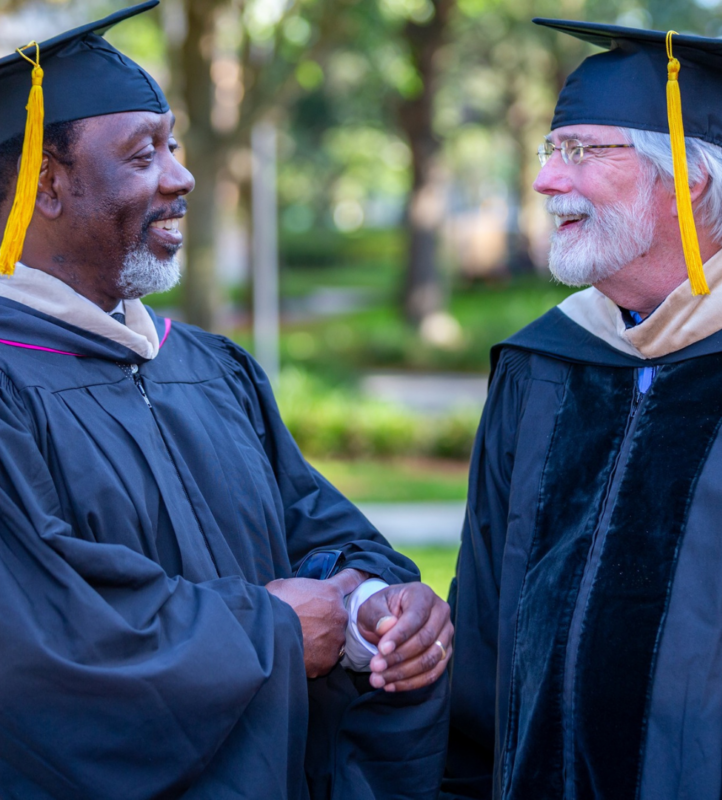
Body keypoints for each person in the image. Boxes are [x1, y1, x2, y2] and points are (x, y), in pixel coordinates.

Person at [0, 2, 453, 798]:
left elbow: (316, 527)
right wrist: (273, 634)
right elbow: (44, 643)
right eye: (144, 155)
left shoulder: (209, 368)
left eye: (173, 145)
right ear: (48, 186)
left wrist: (376, 607)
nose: (181, 175)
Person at [443, 18, 722, 800]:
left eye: (580, 151)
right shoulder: (545, 363)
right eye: (550, 150)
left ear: (687, 174)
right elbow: (484, 624)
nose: (545, 181)